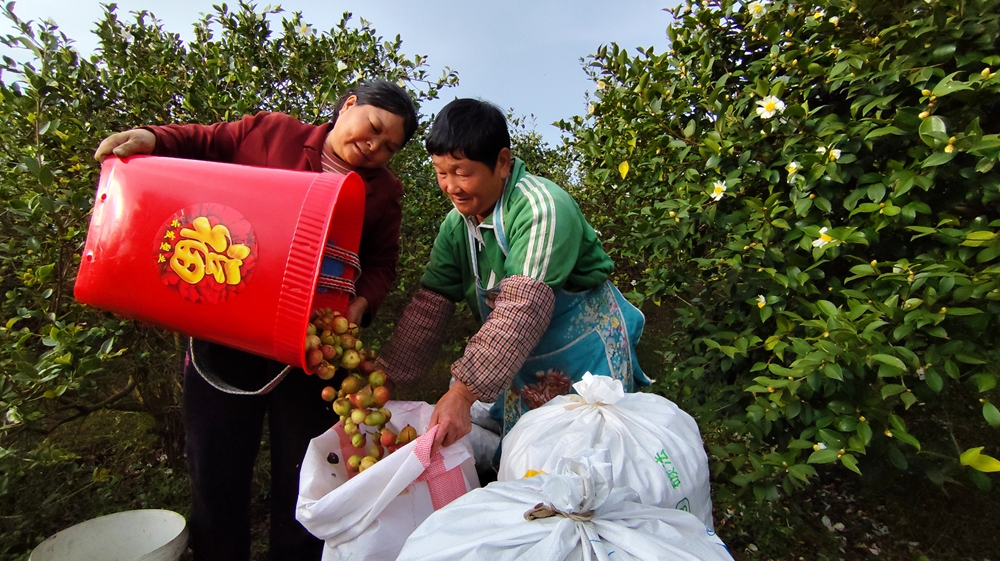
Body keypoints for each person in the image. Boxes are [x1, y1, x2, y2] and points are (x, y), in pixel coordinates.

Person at [93, 80, 418, 561]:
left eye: (388, 147)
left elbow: (381, 264)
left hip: (310, 351)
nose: (374, 147)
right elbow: (204, 141)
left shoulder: (384, 192)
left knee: (305, 472)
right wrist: (151, 138)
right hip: (227, 336)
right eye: (373, 129)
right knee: (216, 469)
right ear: (348, 106)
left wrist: (360, 305)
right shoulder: (271, 133)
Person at [375, 98, 649, 462]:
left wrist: (462, 392)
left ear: (502, 163)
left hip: (584, 354)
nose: (450, 186)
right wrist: (387, 375)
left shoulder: (541, 207)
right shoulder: (457, 226)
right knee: (530, 458)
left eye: (461, 171)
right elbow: (432, 302)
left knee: (591, 457)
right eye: (441, 172)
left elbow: (522, 308)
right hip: (524, 355)